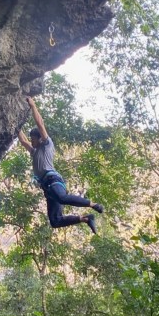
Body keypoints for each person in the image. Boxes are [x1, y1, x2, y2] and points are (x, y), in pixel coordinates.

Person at [18, 96, 104, 233]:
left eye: (33, 139)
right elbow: (23, 141)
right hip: (48, 189)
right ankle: (86, 219)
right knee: (55, 221)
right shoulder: (34, 152)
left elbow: (40, 124)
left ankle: (93, 204)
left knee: (62, 198)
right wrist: (16, 126)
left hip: (54, 180)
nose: (32, 142)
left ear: (40, 138)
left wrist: (33, 106)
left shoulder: (46, 144)